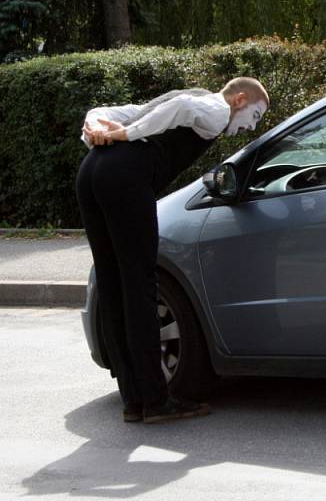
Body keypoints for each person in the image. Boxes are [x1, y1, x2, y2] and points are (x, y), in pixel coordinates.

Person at [75, 77, 269, 424]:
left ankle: (133, 399)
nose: (248, 127)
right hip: (125, 177)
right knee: (139, 285)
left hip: (92, 171)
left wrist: (94, 124)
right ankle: (155, 400)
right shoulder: (215, 110)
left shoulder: (190, 96)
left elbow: (131, 109)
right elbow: (179, 109)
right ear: (239, 99)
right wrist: (124, 135)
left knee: (112, 281)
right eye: (254, 116)